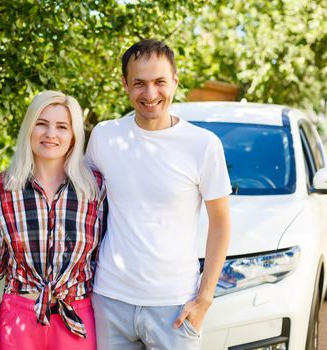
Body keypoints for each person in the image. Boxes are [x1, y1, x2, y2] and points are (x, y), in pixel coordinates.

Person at [85, 39, 232, 349]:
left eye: (159, 82)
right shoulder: (104, 136)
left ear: (175, 82)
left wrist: (205, 298)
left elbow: (220, 223)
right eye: (139, 83)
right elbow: (82, 207)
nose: (150, 94)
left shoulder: (203, 145)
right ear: (125, 84)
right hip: (110, 300)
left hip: (175, 306)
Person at [0, 90, 106, 350]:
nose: (51, 134)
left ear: (74, 135)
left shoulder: (94, 188)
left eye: (62, 127)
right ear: (29, 128)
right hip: (19, 318)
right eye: (42, 124)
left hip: (77, 318)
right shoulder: (3, 187)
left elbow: (105, 256)